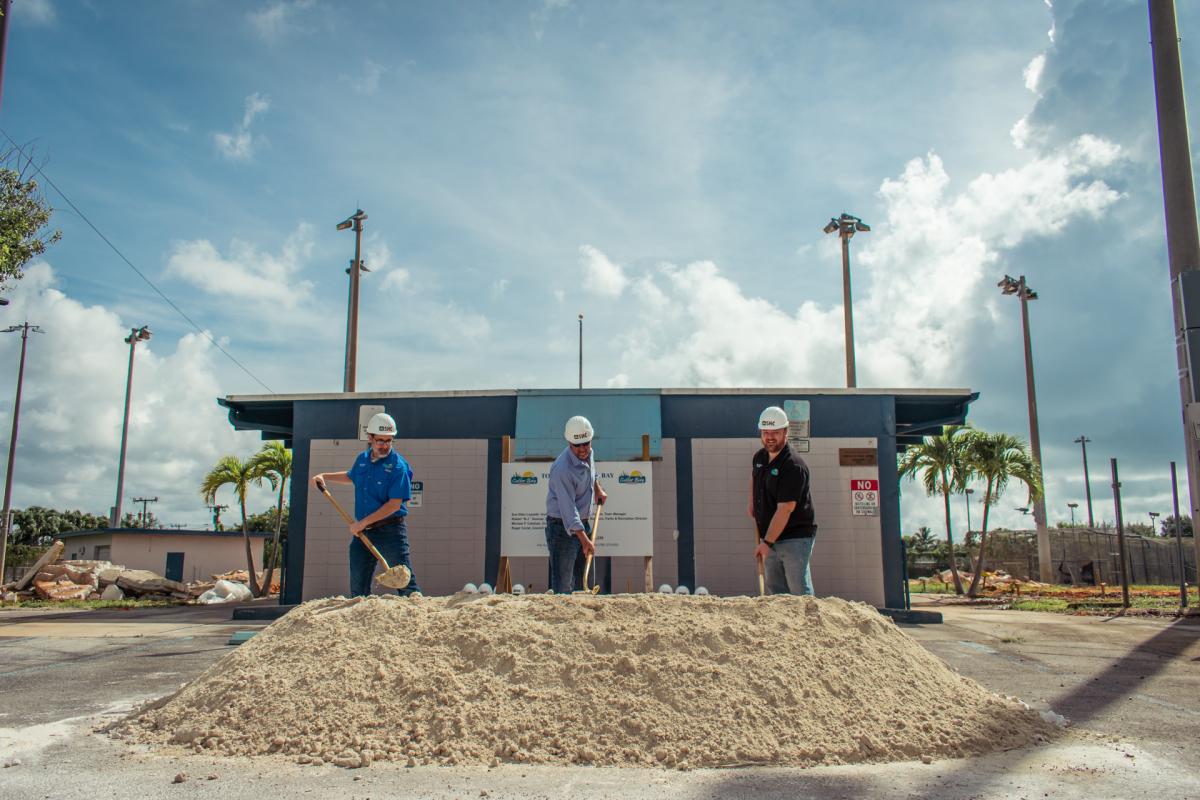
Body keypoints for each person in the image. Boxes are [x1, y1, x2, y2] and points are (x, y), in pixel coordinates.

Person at [311, 412, 422, 597]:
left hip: (390, 532)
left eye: (389, 440)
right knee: (358, 586)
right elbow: (351, 476)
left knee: (405, 583)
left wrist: (361, 524)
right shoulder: (362, 460)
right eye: (380, 440)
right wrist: (325, 477)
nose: (384, 445)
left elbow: (394, 504)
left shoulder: (398, 467)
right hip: (362, 533)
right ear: (370, 438)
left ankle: (419, 619)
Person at [748, 405, 817, 595]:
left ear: (786, 432)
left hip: (795, 536)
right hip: (769, 536)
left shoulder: (793, 465)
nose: (770, 437)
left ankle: (808, 624)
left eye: (775, 432)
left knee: (798, 589)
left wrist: (766, 543)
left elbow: (785, 509)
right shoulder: (760, 457)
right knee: (776, 590)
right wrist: (753, 502)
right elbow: (754, 477)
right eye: (765, 432)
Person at [545, 415, 607, 593]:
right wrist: (585, 540)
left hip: (582, 524)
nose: (582, 449)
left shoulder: (589, 453)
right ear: (569, 442)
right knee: (564, 587)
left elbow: (591, 473)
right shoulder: (562, 469)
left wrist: (597, 489)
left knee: (583, 583)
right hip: (561, 529)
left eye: (586, 443)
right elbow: (568, 511)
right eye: (577, 445)